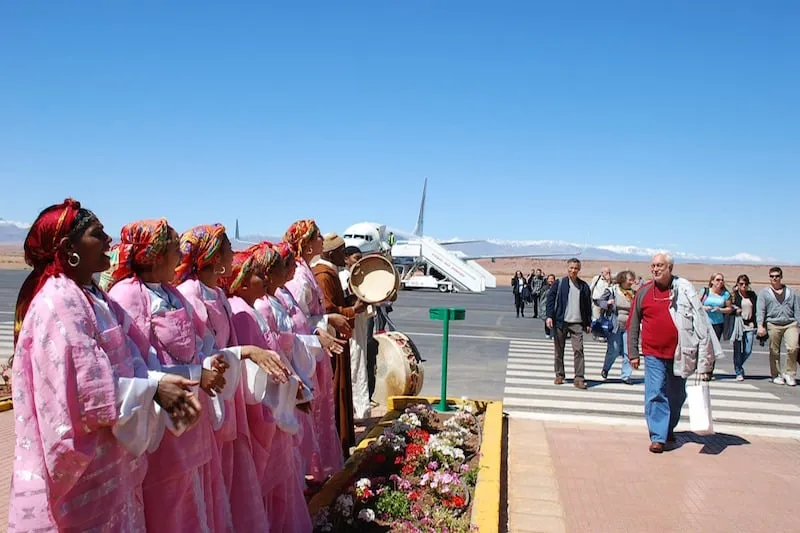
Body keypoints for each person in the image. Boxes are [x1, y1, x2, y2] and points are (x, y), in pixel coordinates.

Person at [9, 199, 200, 532]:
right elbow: (88, 392)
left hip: (114, 467)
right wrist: (154, 391)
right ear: (69, 248)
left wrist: (158, 385)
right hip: (87, 479)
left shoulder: (94, 296)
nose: (108, 239)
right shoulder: (60, 301)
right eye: (97, 234)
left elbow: (133, 353)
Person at [105, 218, 238, 533]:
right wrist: (196, 374)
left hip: (190, 414)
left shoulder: (172, 294)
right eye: (174, 249)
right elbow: (136, 366)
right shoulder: (128, 296)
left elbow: (196, 345)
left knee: (195, 497)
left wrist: (210, 364)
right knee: (168, 503)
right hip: (160, 423)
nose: (180, 256)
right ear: (155, 256)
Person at [175, 224, 289, 533]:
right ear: (213, 256)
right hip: (211, 397)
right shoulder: (190, 294)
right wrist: (244, 352)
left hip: (228, 395)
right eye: (226, 248)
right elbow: (200, 353)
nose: (230, 253)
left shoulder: (216, 294)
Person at [224, 243, 314, 533]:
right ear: (241, 282)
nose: (263, 279)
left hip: (276, 403)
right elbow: (256, 370)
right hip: (266, 408)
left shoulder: (250, 309)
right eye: (256, 274)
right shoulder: (242, 312)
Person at [627, 253, 719, 453]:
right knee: (655, 392)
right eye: (653, 266)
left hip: (680, 353)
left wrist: (704, 355)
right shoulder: (644, 292)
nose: (655, 269)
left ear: (670, 267)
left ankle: (668, 428)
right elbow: (633, 322)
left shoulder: (683, 290)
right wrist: (633, 352)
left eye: (660, 265)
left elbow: (699, 321)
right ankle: (658, 437)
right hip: (653, 352)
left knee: (676, 395)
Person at [283, 219, 352, 468]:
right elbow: (297, 320)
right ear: (308, 244)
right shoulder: (299, 279)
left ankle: (320, 466)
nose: (322, 240)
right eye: (318, 236)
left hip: (315, 351)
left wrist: (326, 320)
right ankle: (311, 467)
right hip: (307, 353)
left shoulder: (306, 271)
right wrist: (326, 321)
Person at [311, 233, 363, 457]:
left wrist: (352, 303)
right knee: (334, 391)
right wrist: (353, 310)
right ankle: (333, 448)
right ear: (332, 254)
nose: (345, 256)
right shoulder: (324, 275)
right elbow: (328, 311)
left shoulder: (329, 272)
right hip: (331, 341)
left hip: (336, 340)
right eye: (342, 252)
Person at [339, 245, 374, 420]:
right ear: (346, 259)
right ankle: (351, 409)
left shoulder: (362, 277)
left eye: (360, 258)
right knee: (352, 363)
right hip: (347, 324)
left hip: (359, 325)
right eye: (355, 258)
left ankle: (361, 409)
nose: (358, 262)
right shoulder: (342, 278)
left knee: (360, 362)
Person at [545, 258, 592, 389]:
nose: (573, 270)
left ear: (579, 269)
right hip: (561, 321)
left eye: (576, 268)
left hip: (577, 322)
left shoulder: (583, 286)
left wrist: (588, 322)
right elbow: (550, 300)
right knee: (559, 350)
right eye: (571, 268)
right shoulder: (559, 283)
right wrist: (549, 316)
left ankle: (579, 378)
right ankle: (559, 375)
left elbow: (587, 306)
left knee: (579, 350)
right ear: (567, 268)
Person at [756, 266, 800, 386]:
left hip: (790, 323)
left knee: (793, 347)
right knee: (774, 351)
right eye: (772, 276)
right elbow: (760, 310)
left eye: (777, 276)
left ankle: (790, 373)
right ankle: (776, 375)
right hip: (773, 323)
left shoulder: (791, 292)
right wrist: (760, 325)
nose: (774, 278)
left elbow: (797, 309)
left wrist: (799, 324)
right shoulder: (764, 293)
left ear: (781, 277)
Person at [598, 270, 636, 384]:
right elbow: (600, 301)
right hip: (615, 325)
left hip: (629, 326)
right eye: (630, 280)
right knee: (614, 350)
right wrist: (607, 303)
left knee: (628, 351)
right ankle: (606, 368)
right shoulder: (612, 290)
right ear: (623, 280)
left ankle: (626, 376)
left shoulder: (633, 293)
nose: (632, 282)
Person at [731, 274, 757, 381]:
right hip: (738, 325)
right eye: (741, 283)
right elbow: (728, 309)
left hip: (749, 325)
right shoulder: (733, 296)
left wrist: (756, 323)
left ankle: (738, 365)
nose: (743, 286)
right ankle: (738, 371)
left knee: (748, 350)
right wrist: (735, 311)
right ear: (737, 284)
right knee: (737, 349)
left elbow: (756, 310)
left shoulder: (752, 295)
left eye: (746, 284)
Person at [590, 266, 612, 341]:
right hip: (596, 302)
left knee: (603, 319)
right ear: (602, 273)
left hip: (606, 303)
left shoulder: (610, 281)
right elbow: (591, 287)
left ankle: (602, 334)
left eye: (609, 272)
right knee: (596, 318)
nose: (608, 274)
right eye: (607, 272)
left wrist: (609, 281)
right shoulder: (597, 278)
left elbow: (610, 290)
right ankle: (595, 333)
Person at [539, 274, 555, 338]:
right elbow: (541, 298)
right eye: (549, 279)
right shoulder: (544, 288)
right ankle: (547, 332)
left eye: (552, 279)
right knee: (547, 319)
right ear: (547, 280)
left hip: (554, 306)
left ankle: (553, 333)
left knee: (554, 320)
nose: (551, 280)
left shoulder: (556, 287)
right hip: (545, 306)